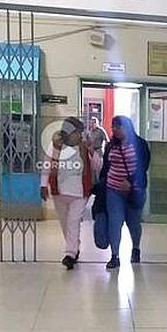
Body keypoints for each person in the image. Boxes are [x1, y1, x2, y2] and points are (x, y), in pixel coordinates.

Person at [99, 114, 150, 269]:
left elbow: (144, 165)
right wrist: (101, 184)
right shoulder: (111, 145)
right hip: (113, 190)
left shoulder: (140, 144)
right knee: (115, 222)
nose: (114, 130)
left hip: (134, 191)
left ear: (127, 127)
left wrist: (130, 181)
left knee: (134, 223)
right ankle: (115, 256)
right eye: (113, 127)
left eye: (118, 126)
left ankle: (136, 248)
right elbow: (106, 166)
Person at [41, 118, 93, 270]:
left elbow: (96, 165)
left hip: (79, 192)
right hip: (60, 192)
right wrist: (43, 185)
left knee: (73, 222)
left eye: (80, 132)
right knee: (65, 223)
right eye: (78, 132)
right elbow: (47, 164)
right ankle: (74, 247)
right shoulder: (56, 146)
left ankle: (70, 254)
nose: (80, 135)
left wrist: (91, 150)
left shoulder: (83, 147)